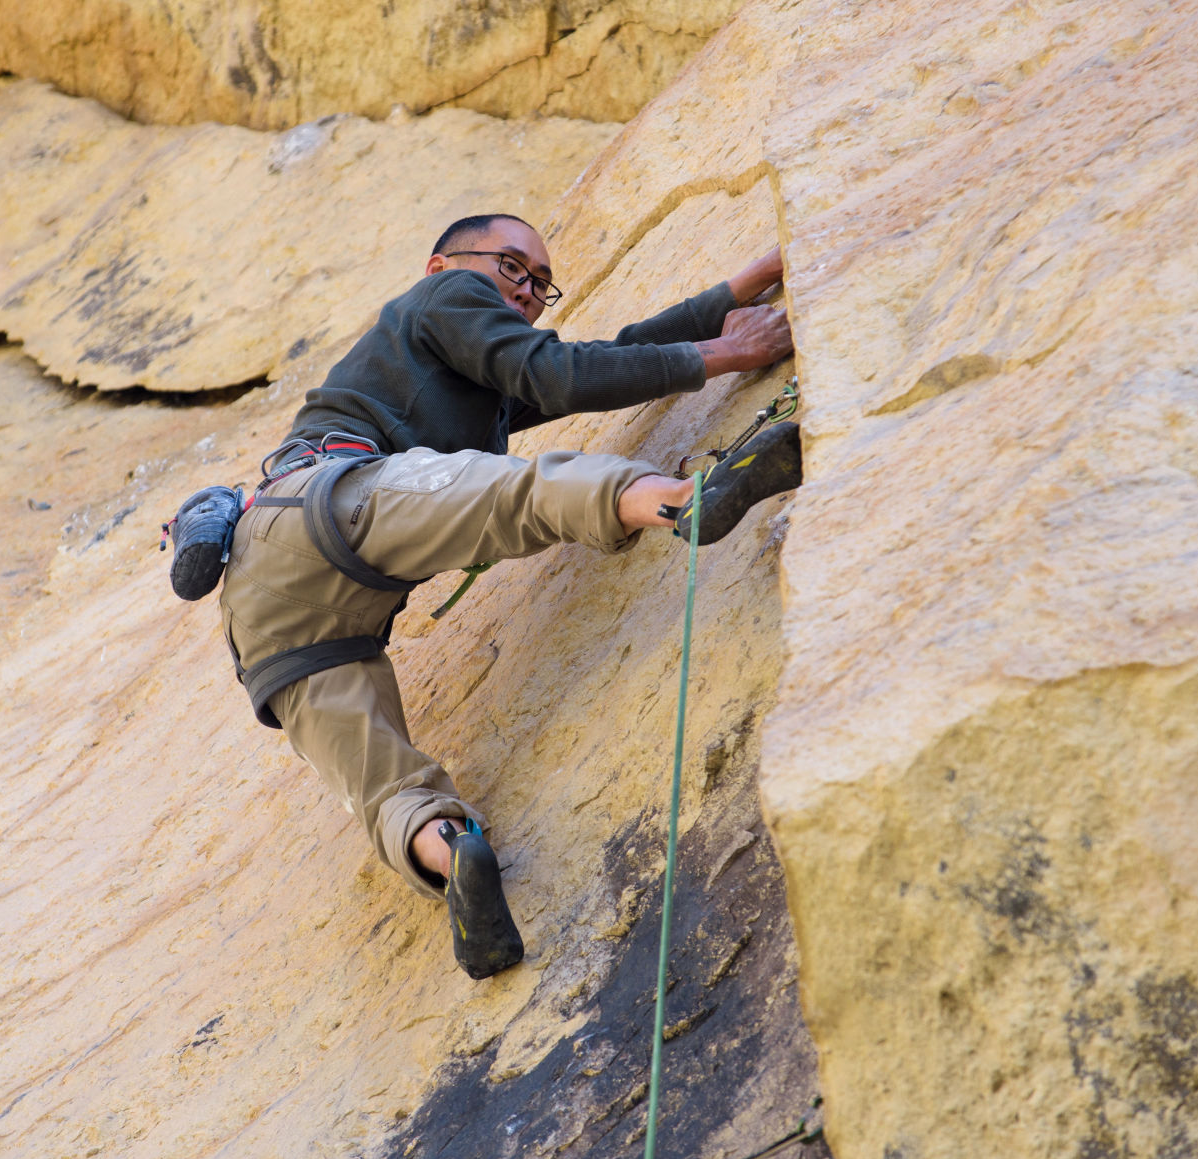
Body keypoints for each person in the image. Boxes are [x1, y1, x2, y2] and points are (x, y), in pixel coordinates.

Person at [213, 213, 798, 979]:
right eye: (511, 268)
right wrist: (729, 351)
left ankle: (454, 854)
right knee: (511, 493)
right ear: (440, 266)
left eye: (538, 285)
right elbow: (560, 372)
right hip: (329, 501)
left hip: (266, 614)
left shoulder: (461, 376)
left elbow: (604, 358)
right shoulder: (443, 298)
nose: (524, 292)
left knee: (380, 782)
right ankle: (686, 499)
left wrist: (742, 283)